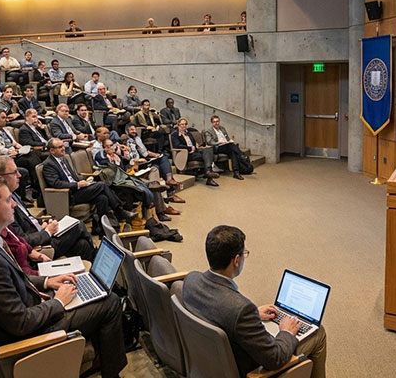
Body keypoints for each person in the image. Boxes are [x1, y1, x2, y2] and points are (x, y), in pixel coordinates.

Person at [0, 177, 127, 376]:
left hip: (31, 308)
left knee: (91, 291)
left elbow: (15, 278)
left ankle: (96, 356)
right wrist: (59, 302)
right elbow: (21, 323)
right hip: (29, 336)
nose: (14, 205)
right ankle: (111, 373)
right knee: (110, 302)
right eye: (9, 200)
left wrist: (48, 281)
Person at [183, 225, 327, 378]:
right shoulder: (241, 309)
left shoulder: (191, 280)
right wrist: (286, 332)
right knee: (319, 334)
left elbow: (216, 311)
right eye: (244, 253)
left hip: (205, 362)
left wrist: (254, 315)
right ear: (236, 260)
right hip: (246, 369)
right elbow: (274, 358)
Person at [0, 155, 95, 261]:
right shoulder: (1, 205)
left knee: (83, 245)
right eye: (14, 172)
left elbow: (28, 219)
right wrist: (47, 232)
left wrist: (42, 224)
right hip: (36, 248)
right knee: (78, 225)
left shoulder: (14, 195)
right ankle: (99, 261)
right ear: (0, 179)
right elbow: (20, 239)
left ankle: (92, 274)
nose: (19, 175)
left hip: (40, 233)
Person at [42, 138, 134, 228]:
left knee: (102, 198)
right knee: (101, 185)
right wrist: (77, 185)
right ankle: (118, 210)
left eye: (63, 145)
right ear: (52, 150)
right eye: (60, 147)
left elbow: (72, 176)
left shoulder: (63, 159)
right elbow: (56, 184)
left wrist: (84, 180)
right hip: (68, 195)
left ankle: (102, 228)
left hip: (78, 189)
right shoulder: (49, 164)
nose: (63, 148)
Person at [95, 138, 171, 221]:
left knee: (153, 182)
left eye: (111, 145)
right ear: (103, 148)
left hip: (125, 177)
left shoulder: (117, 156)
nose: (110, 148)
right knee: (138, 187)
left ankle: (159, 210)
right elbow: (103, 162)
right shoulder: (101, 155)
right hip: (116, 183)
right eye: (107, 146)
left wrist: (126, 152)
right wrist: (109, 156)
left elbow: (128, 163)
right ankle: (149, 201)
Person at [126, 124, 184, 204]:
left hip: (144, 160)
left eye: (135, 129)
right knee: (156, 167)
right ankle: (169, 195)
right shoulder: (125, 140)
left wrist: (156, 155)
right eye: (132, 130)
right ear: (127, 131)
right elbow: (128, 157)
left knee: (163, 157)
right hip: (135, 164)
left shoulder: (137, 138)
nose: (134, 131)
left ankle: (169, 179)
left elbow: (145, 152)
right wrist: (138, 160)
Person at [171, 117, 219, 186]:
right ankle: (209, 177)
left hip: (195, 151)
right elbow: (177, 145)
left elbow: (194, 143)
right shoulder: (175, 134)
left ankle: (208, 173)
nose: (184, 126)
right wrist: (190, 148)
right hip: (186, 154)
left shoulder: (188, 133)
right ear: (178, 125)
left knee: (209, 150)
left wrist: (197, 146)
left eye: (185, 124)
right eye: (182, 124)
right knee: (207, 157)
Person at [204, 115, 247, 180]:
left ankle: (236, 172)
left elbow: (227, 138)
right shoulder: (208, 131)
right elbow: (209, 142)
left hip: (226, 146)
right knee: (232, 147)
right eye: (214, 122)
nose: (216, 123)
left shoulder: (222, 128)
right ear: (212, 123)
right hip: (217, 147)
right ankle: (241, 155)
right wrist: (219, 142)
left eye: (217, 121)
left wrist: (229, 140)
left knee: (233, 151)